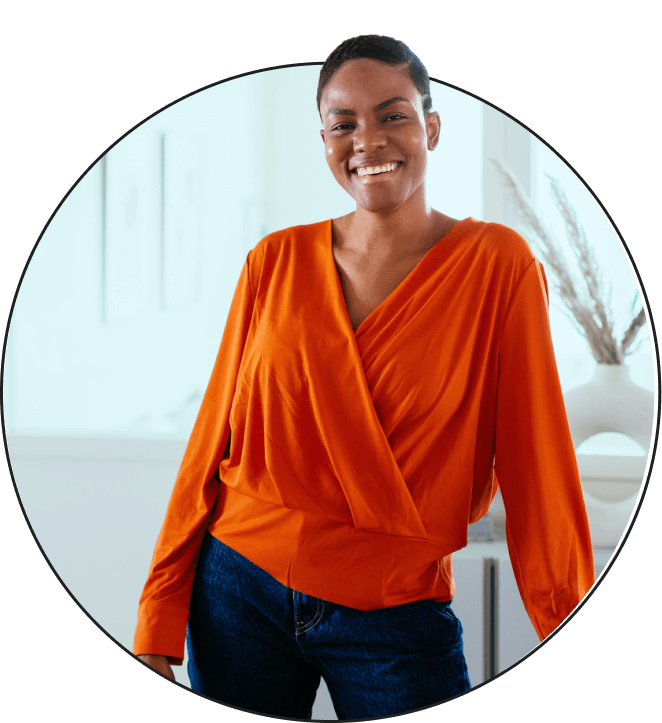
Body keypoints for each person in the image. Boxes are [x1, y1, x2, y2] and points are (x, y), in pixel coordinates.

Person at [134, 35, 595, 718]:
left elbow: (537, 462)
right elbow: (210, 443)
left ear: (431, 126)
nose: (367, 140)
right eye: (342, 123)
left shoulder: (497, 265)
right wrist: (157, 618)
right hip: (237, 590)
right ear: (323, 139)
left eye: (393, 115)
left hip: (395, 613)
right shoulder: (274, 260)